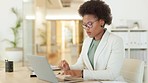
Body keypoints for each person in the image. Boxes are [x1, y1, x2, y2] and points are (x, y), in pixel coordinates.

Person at [58, 0, 125, 81]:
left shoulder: (116, 41)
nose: (87, 28)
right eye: (85, 25)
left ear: (101, 22)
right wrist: (69, 68)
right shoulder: (87, 41)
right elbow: (81, 64)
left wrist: (82, 73)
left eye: (89, 24)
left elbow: (112, 74)